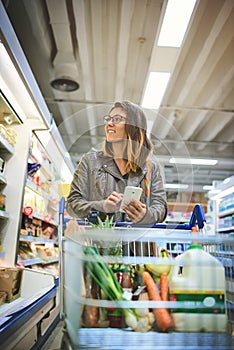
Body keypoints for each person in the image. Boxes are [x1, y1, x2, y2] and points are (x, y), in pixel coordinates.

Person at [66, 101, 167, 225]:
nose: (109, 123)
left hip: (137, 243)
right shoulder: (90, 162)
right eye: (108, 119)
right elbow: (72, 205)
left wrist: (146, 215)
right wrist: (102, 206)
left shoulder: (151, 169)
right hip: (101, 242)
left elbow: (161, 207)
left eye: (117, 119)